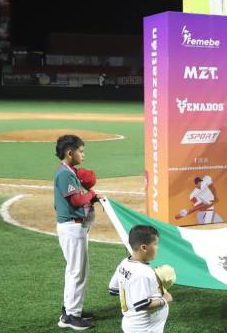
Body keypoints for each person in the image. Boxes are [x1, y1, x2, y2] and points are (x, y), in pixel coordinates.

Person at [54, 134, 101, 330]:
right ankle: (71, 317)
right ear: (69, 153)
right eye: (81, 151)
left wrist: (90, 198)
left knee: (75, 271)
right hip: (71, 228)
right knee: (77, 272)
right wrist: (91, 194)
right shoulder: (65, 174)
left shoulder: (68, 172)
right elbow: (75, 201)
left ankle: (71, 309)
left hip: (73, 227)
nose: (83, 155)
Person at [108, 225, 172, 333]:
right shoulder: (143, 272)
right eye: (155, 244)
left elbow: (113, 289)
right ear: (144, 248)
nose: (157, 248)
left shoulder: (124, 263)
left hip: (131, 324)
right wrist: (164, 300)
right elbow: (142, 304)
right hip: (144, 328)